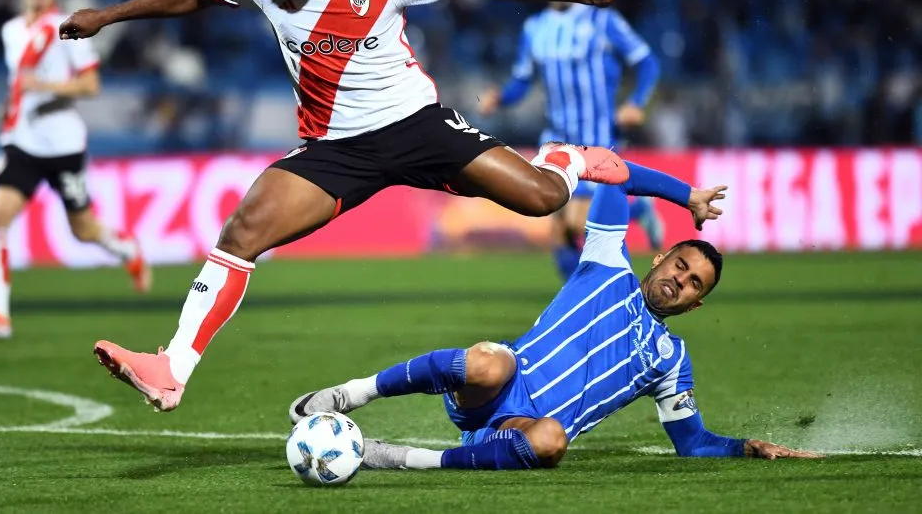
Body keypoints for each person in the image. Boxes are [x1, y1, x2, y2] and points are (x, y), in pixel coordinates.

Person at [59, 0, 643, 411]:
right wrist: (107, 17)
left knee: (543, 198)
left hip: (417, 126)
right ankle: (172, 367)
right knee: (242, 232)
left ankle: (567, 160)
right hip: (335, 148)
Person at [290, 157, 821, 469]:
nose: (679, 280)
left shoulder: (671, 359)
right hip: (492, 389)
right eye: (680, 266)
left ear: (696, 303)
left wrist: (746, 448)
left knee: (552, 443)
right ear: (660, 257)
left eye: (692, 284)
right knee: (492, 360)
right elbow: (615, 176)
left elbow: (692, 442)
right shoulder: (607, 262)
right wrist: (687, 196)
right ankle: (353, 393)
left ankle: (399, 458)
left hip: (524, 427)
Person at [0, 0, 151, 340]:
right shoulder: (12, 31)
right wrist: (14, 103)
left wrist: (45, 91)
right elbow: (20, 82)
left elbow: (90, 86)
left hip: (63, 146)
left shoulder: (67, 29)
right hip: (22, 142)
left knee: (83, 230)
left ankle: (126, 249)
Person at [479, 0, 664, 279]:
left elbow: (647, 62)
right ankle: (576, 305)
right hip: (555, 138)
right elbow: (523, 80)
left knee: (578, 225)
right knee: (559, 233)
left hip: (598, 137)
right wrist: (501, 98)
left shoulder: (603, 20)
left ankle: (638, 211)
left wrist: (636, 102)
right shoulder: (534, 28)